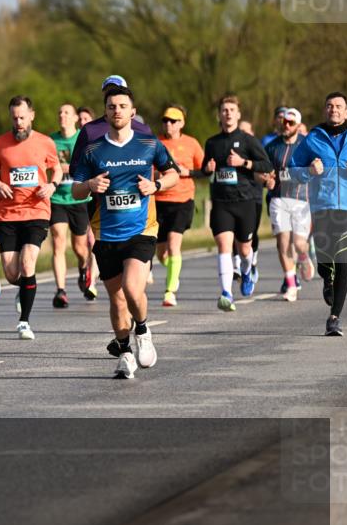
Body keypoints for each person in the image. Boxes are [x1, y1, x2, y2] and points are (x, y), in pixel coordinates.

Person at [72, 85, 180, 379]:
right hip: (106, 235)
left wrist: (155, 186)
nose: (116, 111)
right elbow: (76, 188)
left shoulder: (148, 143)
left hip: (142, 230)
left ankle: (143, 331)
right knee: (117, 300)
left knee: (133, 289)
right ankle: (125, 353)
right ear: (105, 113)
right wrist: (91, 186)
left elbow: (173, 173)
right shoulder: (93, 150)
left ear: (132, 112)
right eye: (111, 106)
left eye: (122, 106)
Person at [0, 96, 61, 338]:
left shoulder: (45, 142)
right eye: (14, 118)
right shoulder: (0, 144)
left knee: (28, 263)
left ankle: (24, 322)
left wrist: (53, 185)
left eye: (22, 117)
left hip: (36, 210)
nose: (18, 122)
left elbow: (56, 167)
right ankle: (25, 286)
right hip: (7, 214)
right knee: (11, 273)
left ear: (32, 116)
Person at [201, 95, 273, 311]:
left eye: (232, 109)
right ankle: (226, 293)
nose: (228, 113)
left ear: (238, 114)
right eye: (224, 110)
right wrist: (208, 169)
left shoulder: (248, 140)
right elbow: (205, 168)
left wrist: (244, 162)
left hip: (245, 201)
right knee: (224, 247)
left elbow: (267, 165)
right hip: (222, 202)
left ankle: (247, 269)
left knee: (244, 249)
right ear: (220, 115)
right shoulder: (212, 142)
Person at [290, 91, 347, 336]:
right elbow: (293, 170)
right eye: (329, 106)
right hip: (322, 207)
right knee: (325, 258)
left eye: (338, 106)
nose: (333, 109)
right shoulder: (313, 138)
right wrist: (309, 172)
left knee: (344, 260)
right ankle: (327, 277)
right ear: (325, 110)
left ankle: (334, 318)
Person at [155, 105, 205, 307]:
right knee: (161, 253)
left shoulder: (191, 143)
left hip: (182, 200)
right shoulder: (155, 143)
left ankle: (170, 291)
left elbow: (204, 170)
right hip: (158, 201)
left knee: (174, 244)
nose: (169, 124)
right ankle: (173, 271)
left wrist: (188, 173)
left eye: (173, 121)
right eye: (166, 120)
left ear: (182, 123)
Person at [263, 108, 314, 302]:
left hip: (301, 199)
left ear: (298, 125)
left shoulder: (307, 145)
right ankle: (291, 284)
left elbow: (319, 168)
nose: (286, 125)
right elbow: (264, 172)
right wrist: (266, 179)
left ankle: (303, 256)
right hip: (278, 198)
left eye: (290, 123)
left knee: (299, 244)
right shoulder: (271, 146)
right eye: (283, 122)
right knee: (283, 243)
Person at [48, 102, 93, 307]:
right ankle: (60, 291)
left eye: (67, 112)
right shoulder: (51, 141)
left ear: (75, 118)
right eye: (60, 112)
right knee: (58, 241)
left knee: (80, 248)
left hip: (79, 199)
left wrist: (70, 167)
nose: (62, 115)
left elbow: (92, 166)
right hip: (57, 198)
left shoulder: (83, 140)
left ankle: (84, 268)